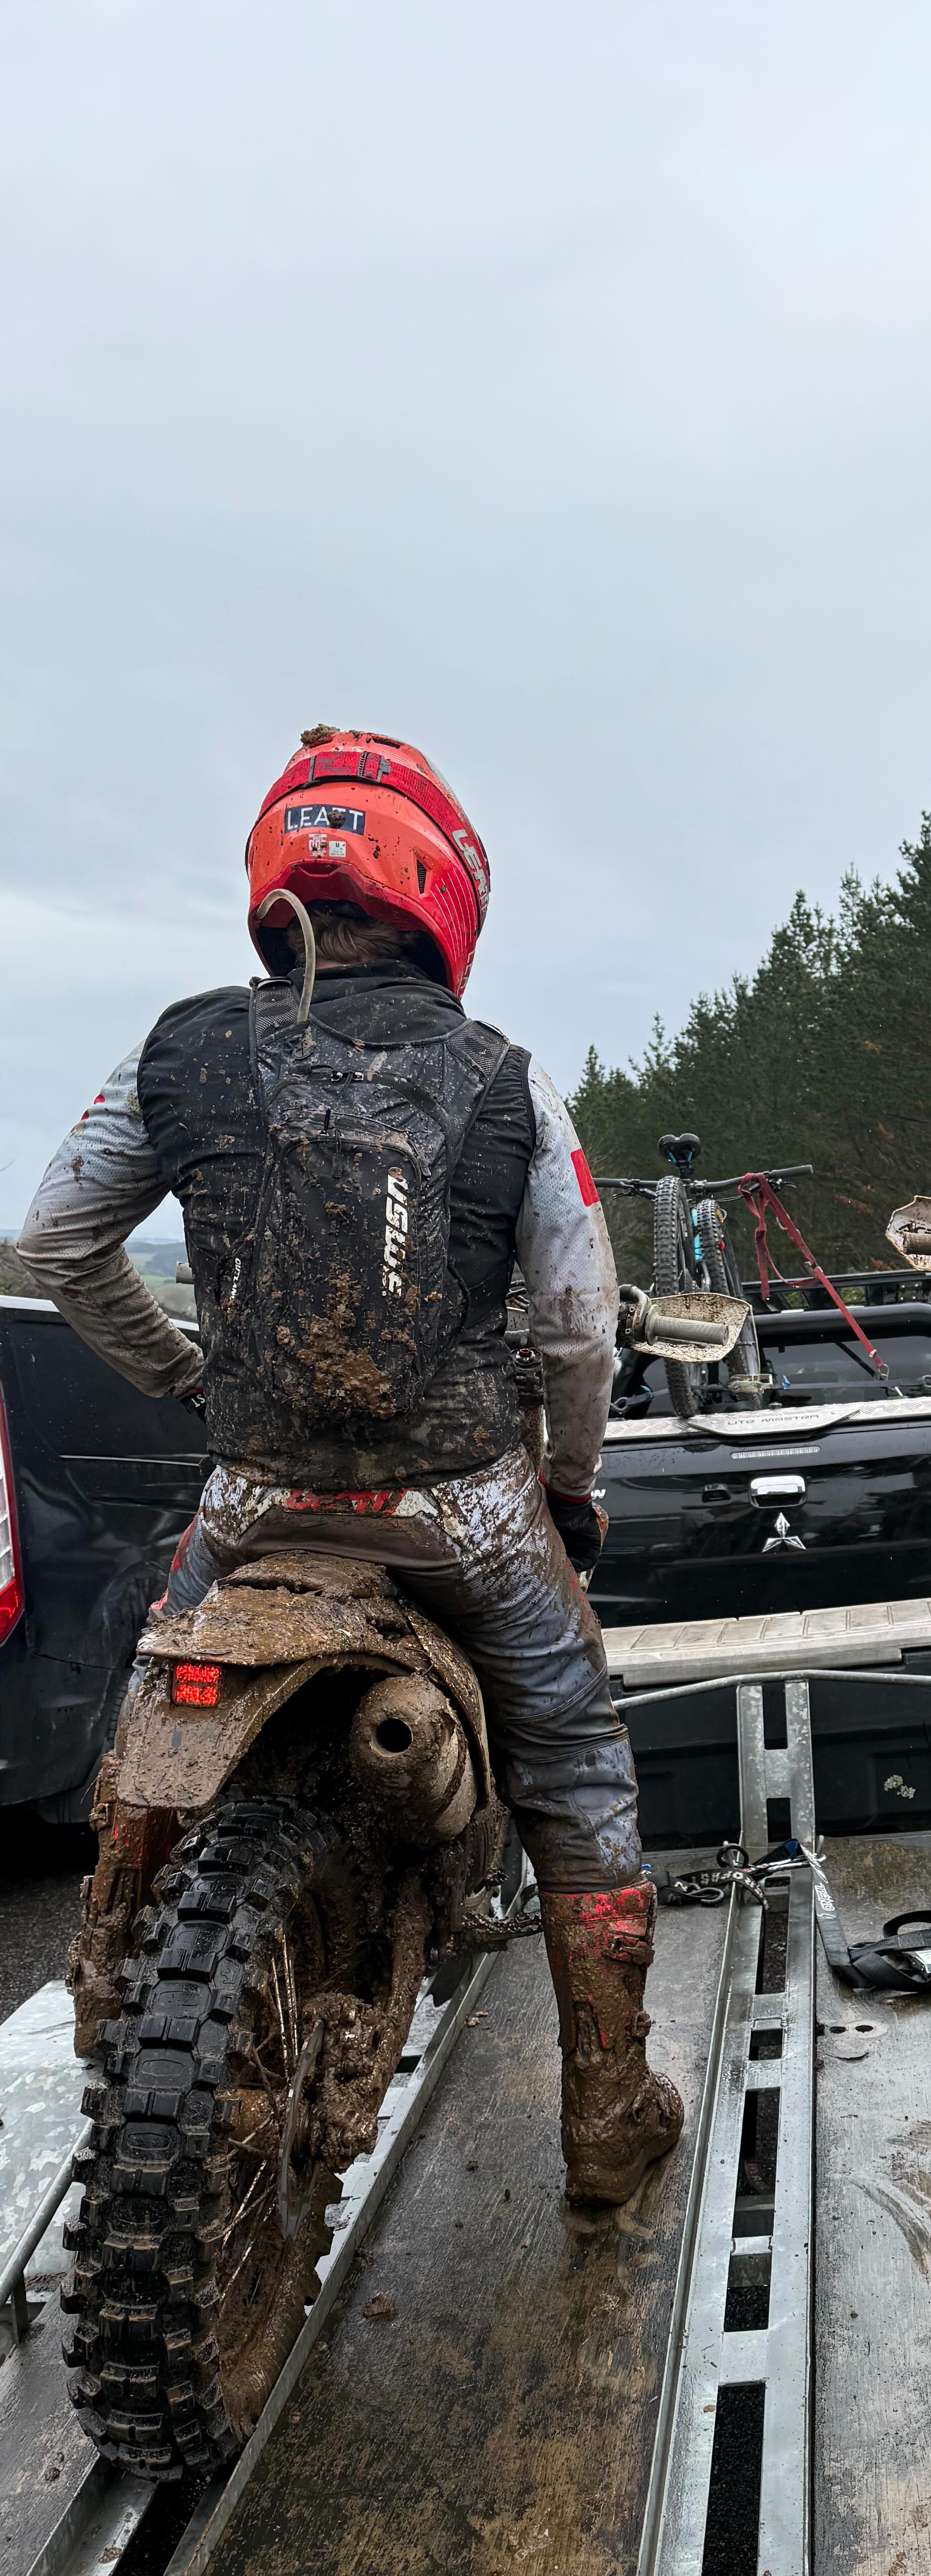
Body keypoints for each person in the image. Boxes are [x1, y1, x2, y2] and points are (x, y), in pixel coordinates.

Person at [18, 724, 679, 2202]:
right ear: (443, 885)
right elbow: (577, 1325)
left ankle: (118, 2026)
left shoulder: (179, 1050)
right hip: (467, 1512)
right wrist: (568, 1484)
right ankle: (608, 2115)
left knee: (146, 1760)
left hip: (254, 1504)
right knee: (576, 1762)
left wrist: (197, 1379)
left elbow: (61, 1234)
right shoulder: (505, 1077)